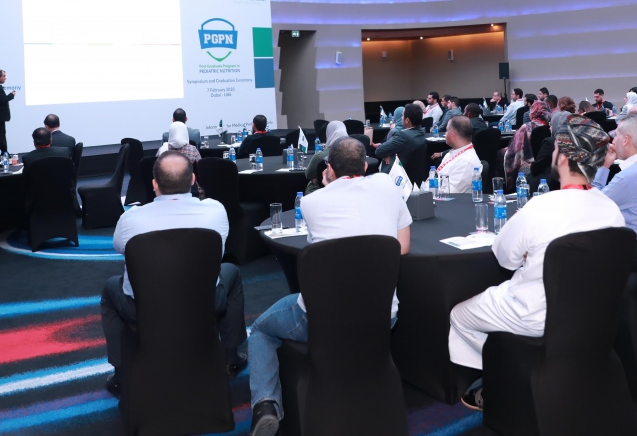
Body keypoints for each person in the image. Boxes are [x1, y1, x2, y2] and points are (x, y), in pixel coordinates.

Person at [449, 115, 624, 411]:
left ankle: (508, 377)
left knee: (459, 315)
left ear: (563, 157)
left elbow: (504, 258)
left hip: (534, 314)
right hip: (592, 312)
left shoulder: (540, 207)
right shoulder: (612, 210)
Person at [247, 136, 411, 436]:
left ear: (329, 169)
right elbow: (402, 246)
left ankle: (265, 405)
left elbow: (322, 254)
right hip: (382, 316)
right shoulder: (388, 185)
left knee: (259, 329)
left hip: (323, 321)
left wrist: (326, 185)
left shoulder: (312, 202)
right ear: (365, 166)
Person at [100, 151, 246, 397]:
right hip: (204, 304)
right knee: (231, 272)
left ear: (154, 184)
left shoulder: (131, 219)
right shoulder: (215, 210)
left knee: (110, 288)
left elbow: (119, 247)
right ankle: (230, 358)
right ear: (193, 180)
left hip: (144, 308)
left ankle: (121, 375)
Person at [501, 100, 552, 189]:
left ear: (533, 111)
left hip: (527, 162)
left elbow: (516, 149)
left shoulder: (526, 127)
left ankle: (504, 186)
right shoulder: (549, 127)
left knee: (500, 154)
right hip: (542, 162)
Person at [370, 103, 426, 173]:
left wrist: (389, 152)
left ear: (407, 120)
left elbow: (379, 151)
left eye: (402, 115)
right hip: (417, 173)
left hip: (402, 173)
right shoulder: (421, 132)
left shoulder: (403, 136)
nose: (401, 118)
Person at [435, 116, 482, 193]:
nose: (445, 134)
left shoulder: (466, 162)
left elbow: (449, 193)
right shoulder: (452, 153)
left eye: (446, 131)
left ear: (453, 135)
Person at [304, 121, 348, 195]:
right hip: (348, 190)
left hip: (320, 192)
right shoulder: (354, 155)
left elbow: (309, 175)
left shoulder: (319, 157)